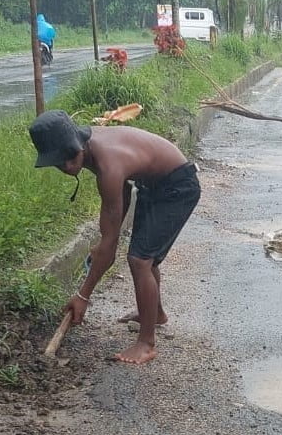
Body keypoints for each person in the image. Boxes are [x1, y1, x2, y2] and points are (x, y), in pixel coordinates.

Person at [29, 110, 201, 365]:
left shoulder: (109, 164)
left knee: (140, 260)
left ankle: (146, 343)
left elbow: (110, 246)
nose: (67, 167)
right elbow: (119, 202)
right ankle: (155, 314)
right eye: (58, 162)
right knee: (145, 258)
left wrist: (83, 295)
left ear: (78, 145)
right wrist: (105, 239)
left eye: (69, 158)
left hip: (177, 187)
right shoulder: (91, 149)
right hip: (153, 185)